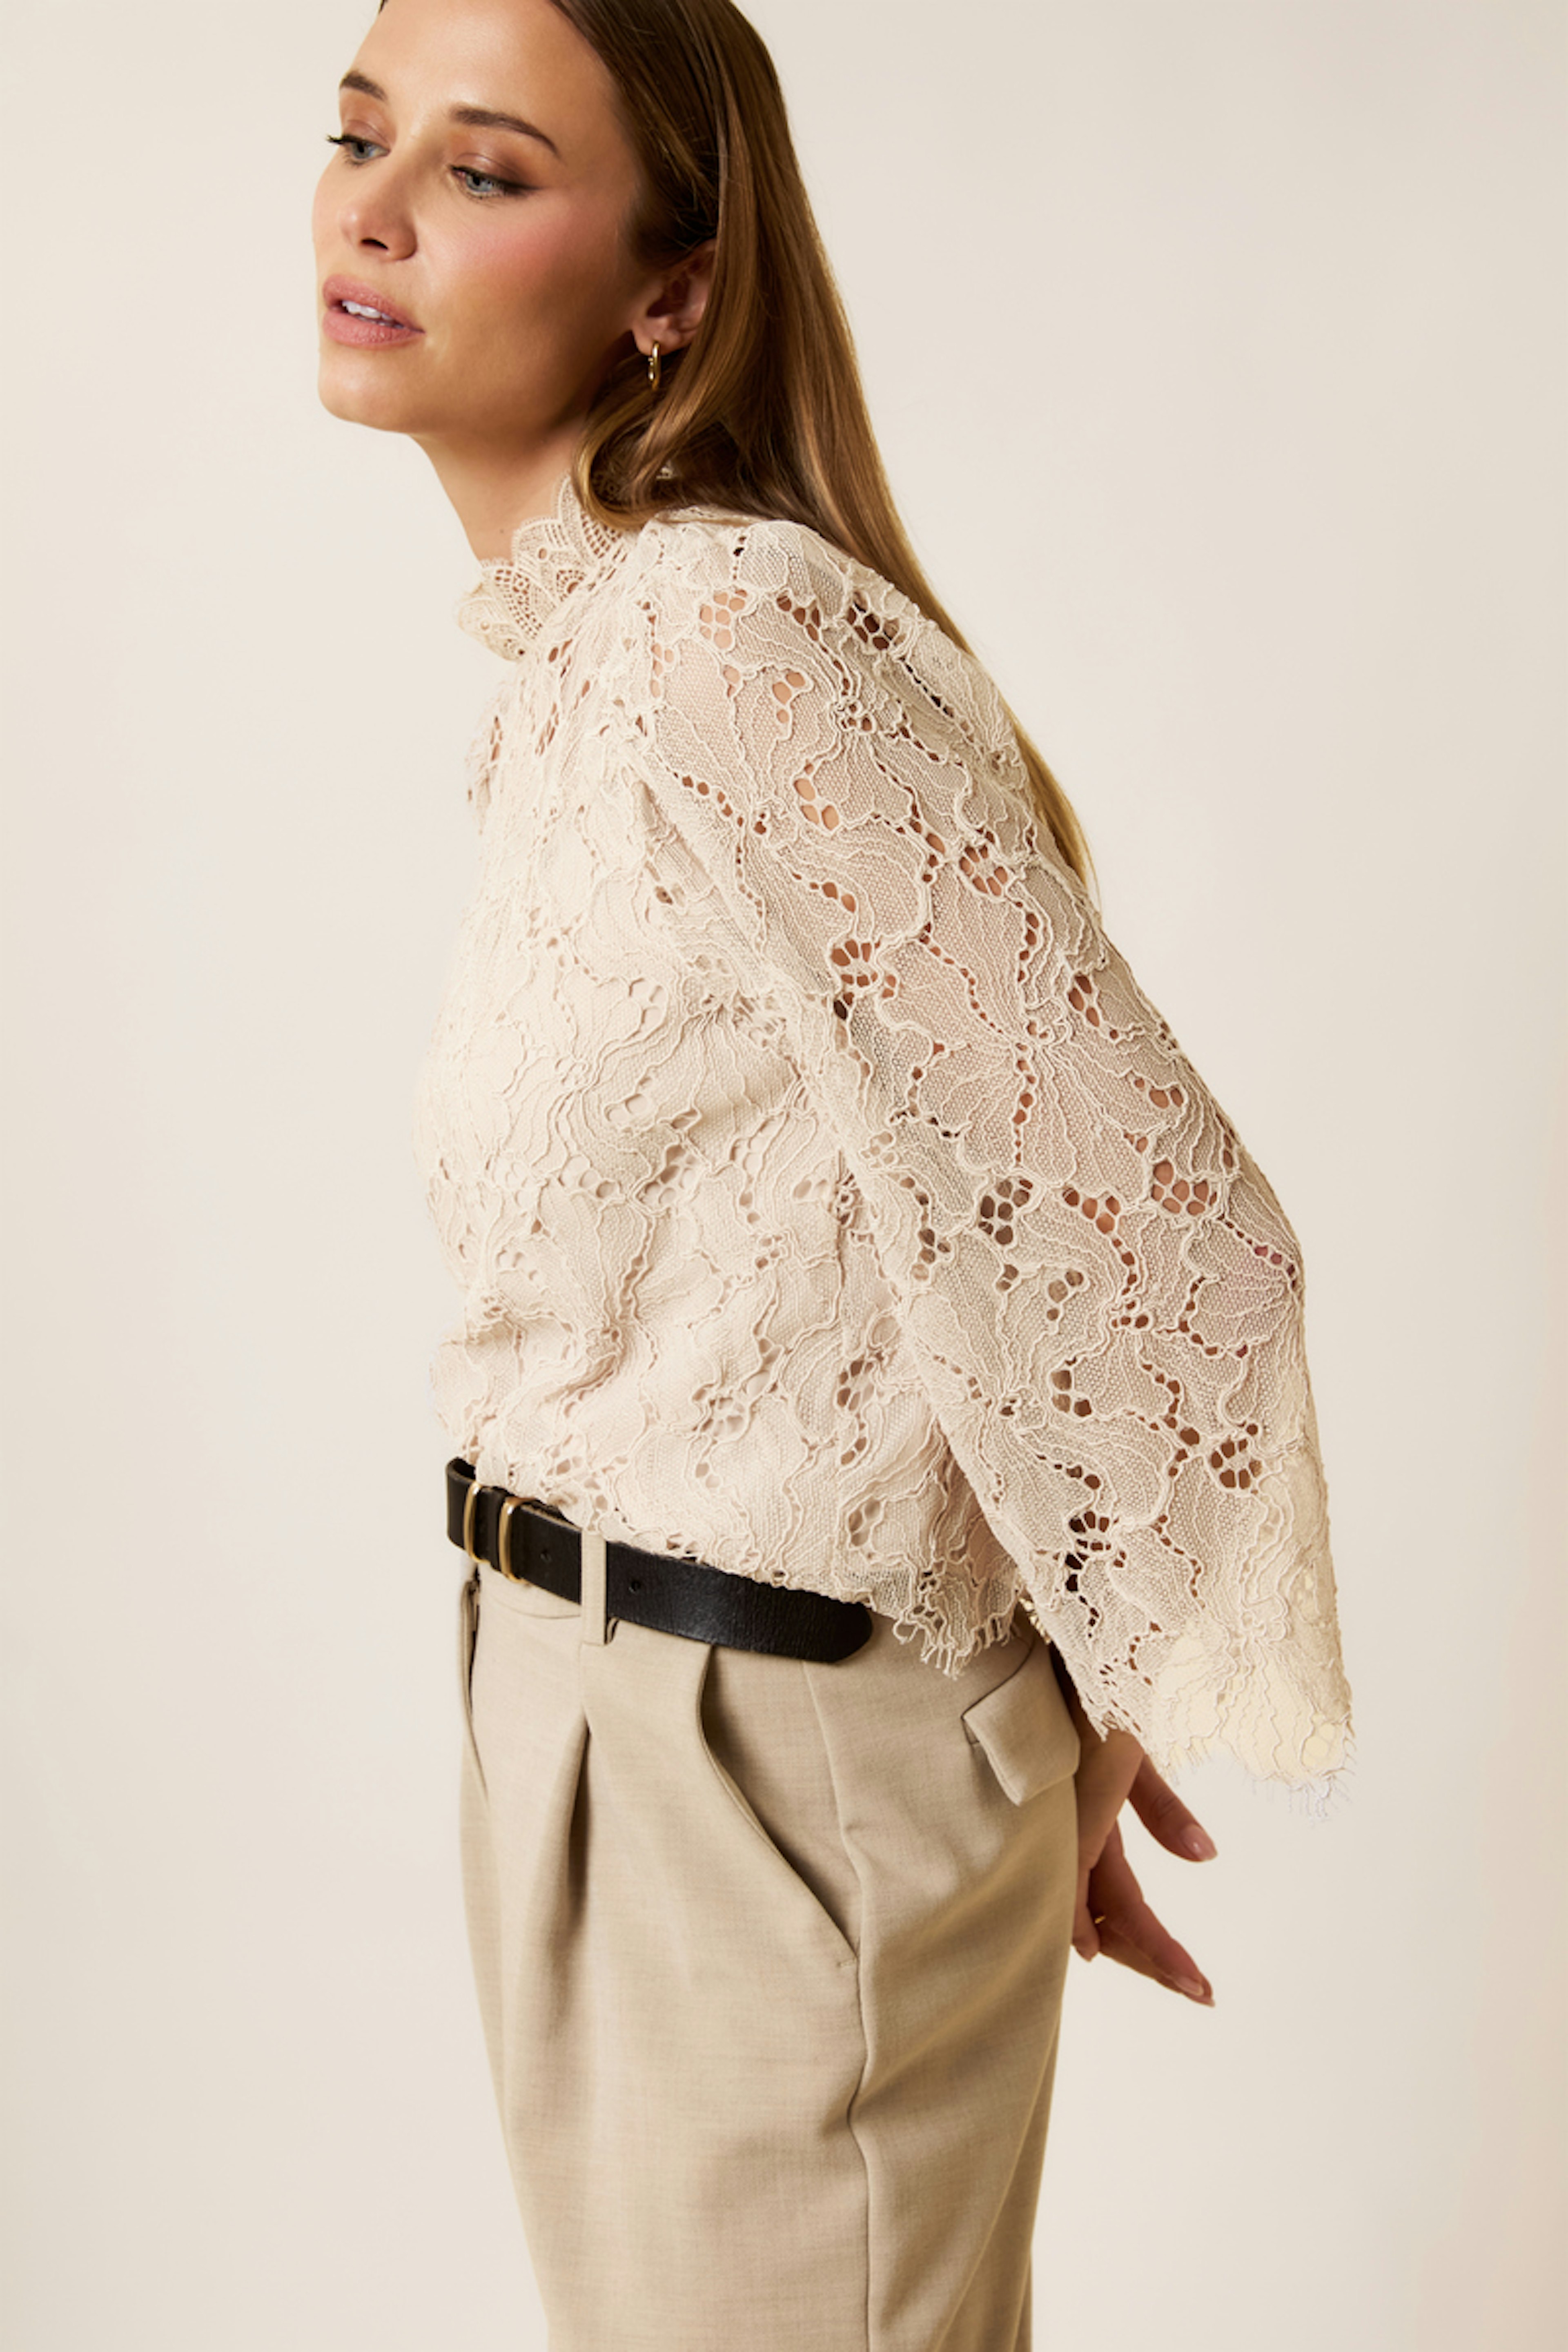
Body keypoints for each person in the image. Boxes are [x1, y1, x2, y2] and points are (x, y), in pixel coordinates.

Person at [312, 1, 1355, 2344]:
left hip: (767, 1759)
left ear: (676, 285)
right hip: (587, 1714)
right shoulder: (589, 651)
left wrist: (1079, 1697)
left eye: (483, 169)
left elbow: (1167, 1223)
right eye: (359, 134)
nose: (370, 212)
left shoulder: (724, 634)